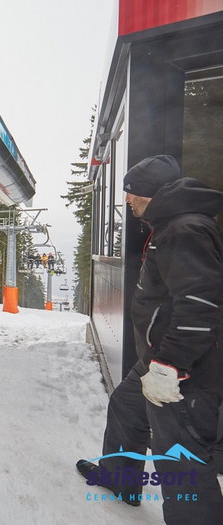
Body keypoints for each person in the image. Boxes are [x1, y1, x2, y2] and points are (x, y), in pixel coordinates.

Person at [76, 155, 223, 523]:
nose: (127, 200)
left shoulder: (183, 230)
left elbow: (200, 303)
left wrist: (170, 366)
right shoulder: (172, 225)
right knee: (126, 406)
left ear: (152, 194)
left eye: (132, 193)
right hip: (161, 357)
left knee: (181, 455)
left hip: (183, 368)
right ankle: (118, 478)